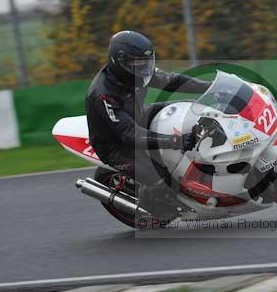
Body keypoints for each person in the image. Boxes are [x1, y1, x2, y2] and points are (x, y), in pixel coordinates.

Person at [86, 30, 210, 215]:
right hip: (116, 145)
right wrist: (175, 141)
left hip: (139, 115)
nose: (143, 69)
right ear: (119, 61)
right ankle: (149, 205)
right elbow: (129, 135)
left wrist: (209, 86)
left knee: (189, 108)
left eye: (146, 63)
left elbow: (172, 80)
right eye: (137, 64)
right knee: (160, 178)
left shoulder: (137, 72)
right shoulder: (104, 94)